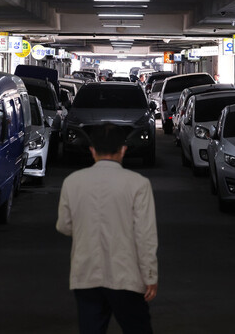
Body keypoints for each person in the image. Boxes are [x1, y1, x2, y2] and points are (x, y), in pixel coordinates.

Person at [56, 123, 158, 334]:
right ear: (123, 150)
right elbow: (145, 235)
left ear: (92, 150)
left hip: (85, 276)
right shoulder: (138, 184)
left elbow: (64, 226)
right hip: (126, 277)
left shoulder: (72, 182)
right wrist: (150, 276)